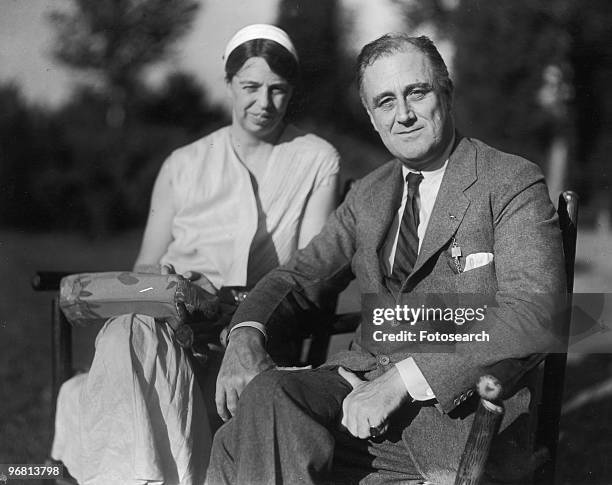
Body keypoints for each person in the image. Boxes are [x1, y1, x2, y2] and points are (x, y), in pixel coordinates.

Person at [206, 34, 566, 485]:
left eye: (417, 92)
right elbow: (299, 277)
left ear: (446, 94)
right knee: (269, 395)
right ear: (373, 119)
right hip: (356, 394)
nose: (404, 115)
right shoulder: (369, 195)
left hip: (456, 423)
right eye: (386, 102)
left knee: (241, 442)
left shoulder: (508, 180)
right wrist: (245, 335)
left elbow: (538, 313)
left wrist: (401, 381)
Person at [51, 24, 340, 485]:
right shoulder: (184, 164)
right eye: (250, 87)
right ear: (228, 84)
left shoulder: (315, 158)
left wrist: (221, 304)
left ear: (291, 93)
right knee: (130, 327)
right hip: (168, 321)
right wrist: (170, 284)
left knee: (124, 344)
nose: (263, 103)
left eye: (278, 90)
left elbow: (311, 274)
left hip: (250, 331)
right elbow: (142, 269)